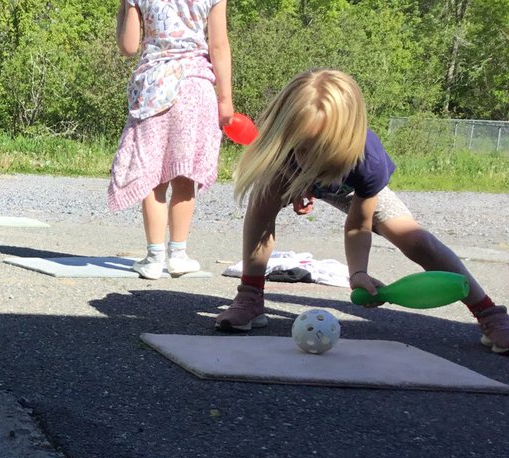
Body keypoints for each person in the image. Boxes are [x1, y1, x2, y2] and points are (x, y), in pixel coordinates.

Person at [215, 68, 509, 354]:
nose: (305, 158)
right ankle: (250, 297)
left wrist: (358, 273)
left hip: (351, 186)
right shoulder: (279, 142)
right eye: (300, 148)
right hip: (288, 177)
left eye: (318, 151)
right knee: (260, 209)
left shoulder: (367, 159)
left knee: (416, 239)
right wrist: (300, 188)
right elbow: (273, 193)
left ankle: (489, 313)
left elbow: (358, 225)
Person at [107, 0, 233, 279]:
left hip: (152, 88)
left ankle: (154, 256)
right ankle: (179, 253)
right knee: (184, 173)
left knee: (150, 174)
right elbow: (218, 45)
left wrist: (124, 8)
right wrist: (225, 100)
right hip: (195, 87)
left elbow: (129, 47)